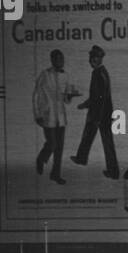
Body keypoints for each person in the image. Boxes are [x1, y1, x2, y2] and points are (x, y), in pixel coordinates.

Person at [71, 45, 119, 178]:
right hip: (102, 113)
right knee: (90, 136)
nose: (90, 61)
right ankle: (82, 159)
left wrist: (85, 105)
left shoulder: (98, 73)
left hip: (98, 114)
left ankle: (113, 172)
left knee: (100, 139)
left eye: (92, 58)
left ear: (97, 59)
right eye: (91, 58)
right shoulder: (102, 72)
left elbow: (97, 97)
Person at [33, 49, 80, 185]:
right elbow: (36, 95)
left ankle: (56, 174)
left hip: (61, 117)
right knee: (52, 144)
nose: (61, 61)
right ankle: (41, 159)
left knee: (59, 148)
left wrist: (69, 97)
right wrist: (38, 114)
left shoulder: (66, 76)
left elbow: (66, 99)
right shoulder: (45, 75)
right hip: (48, 116)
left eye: (62, 59)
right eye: (58, 59)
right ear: (52, 60)